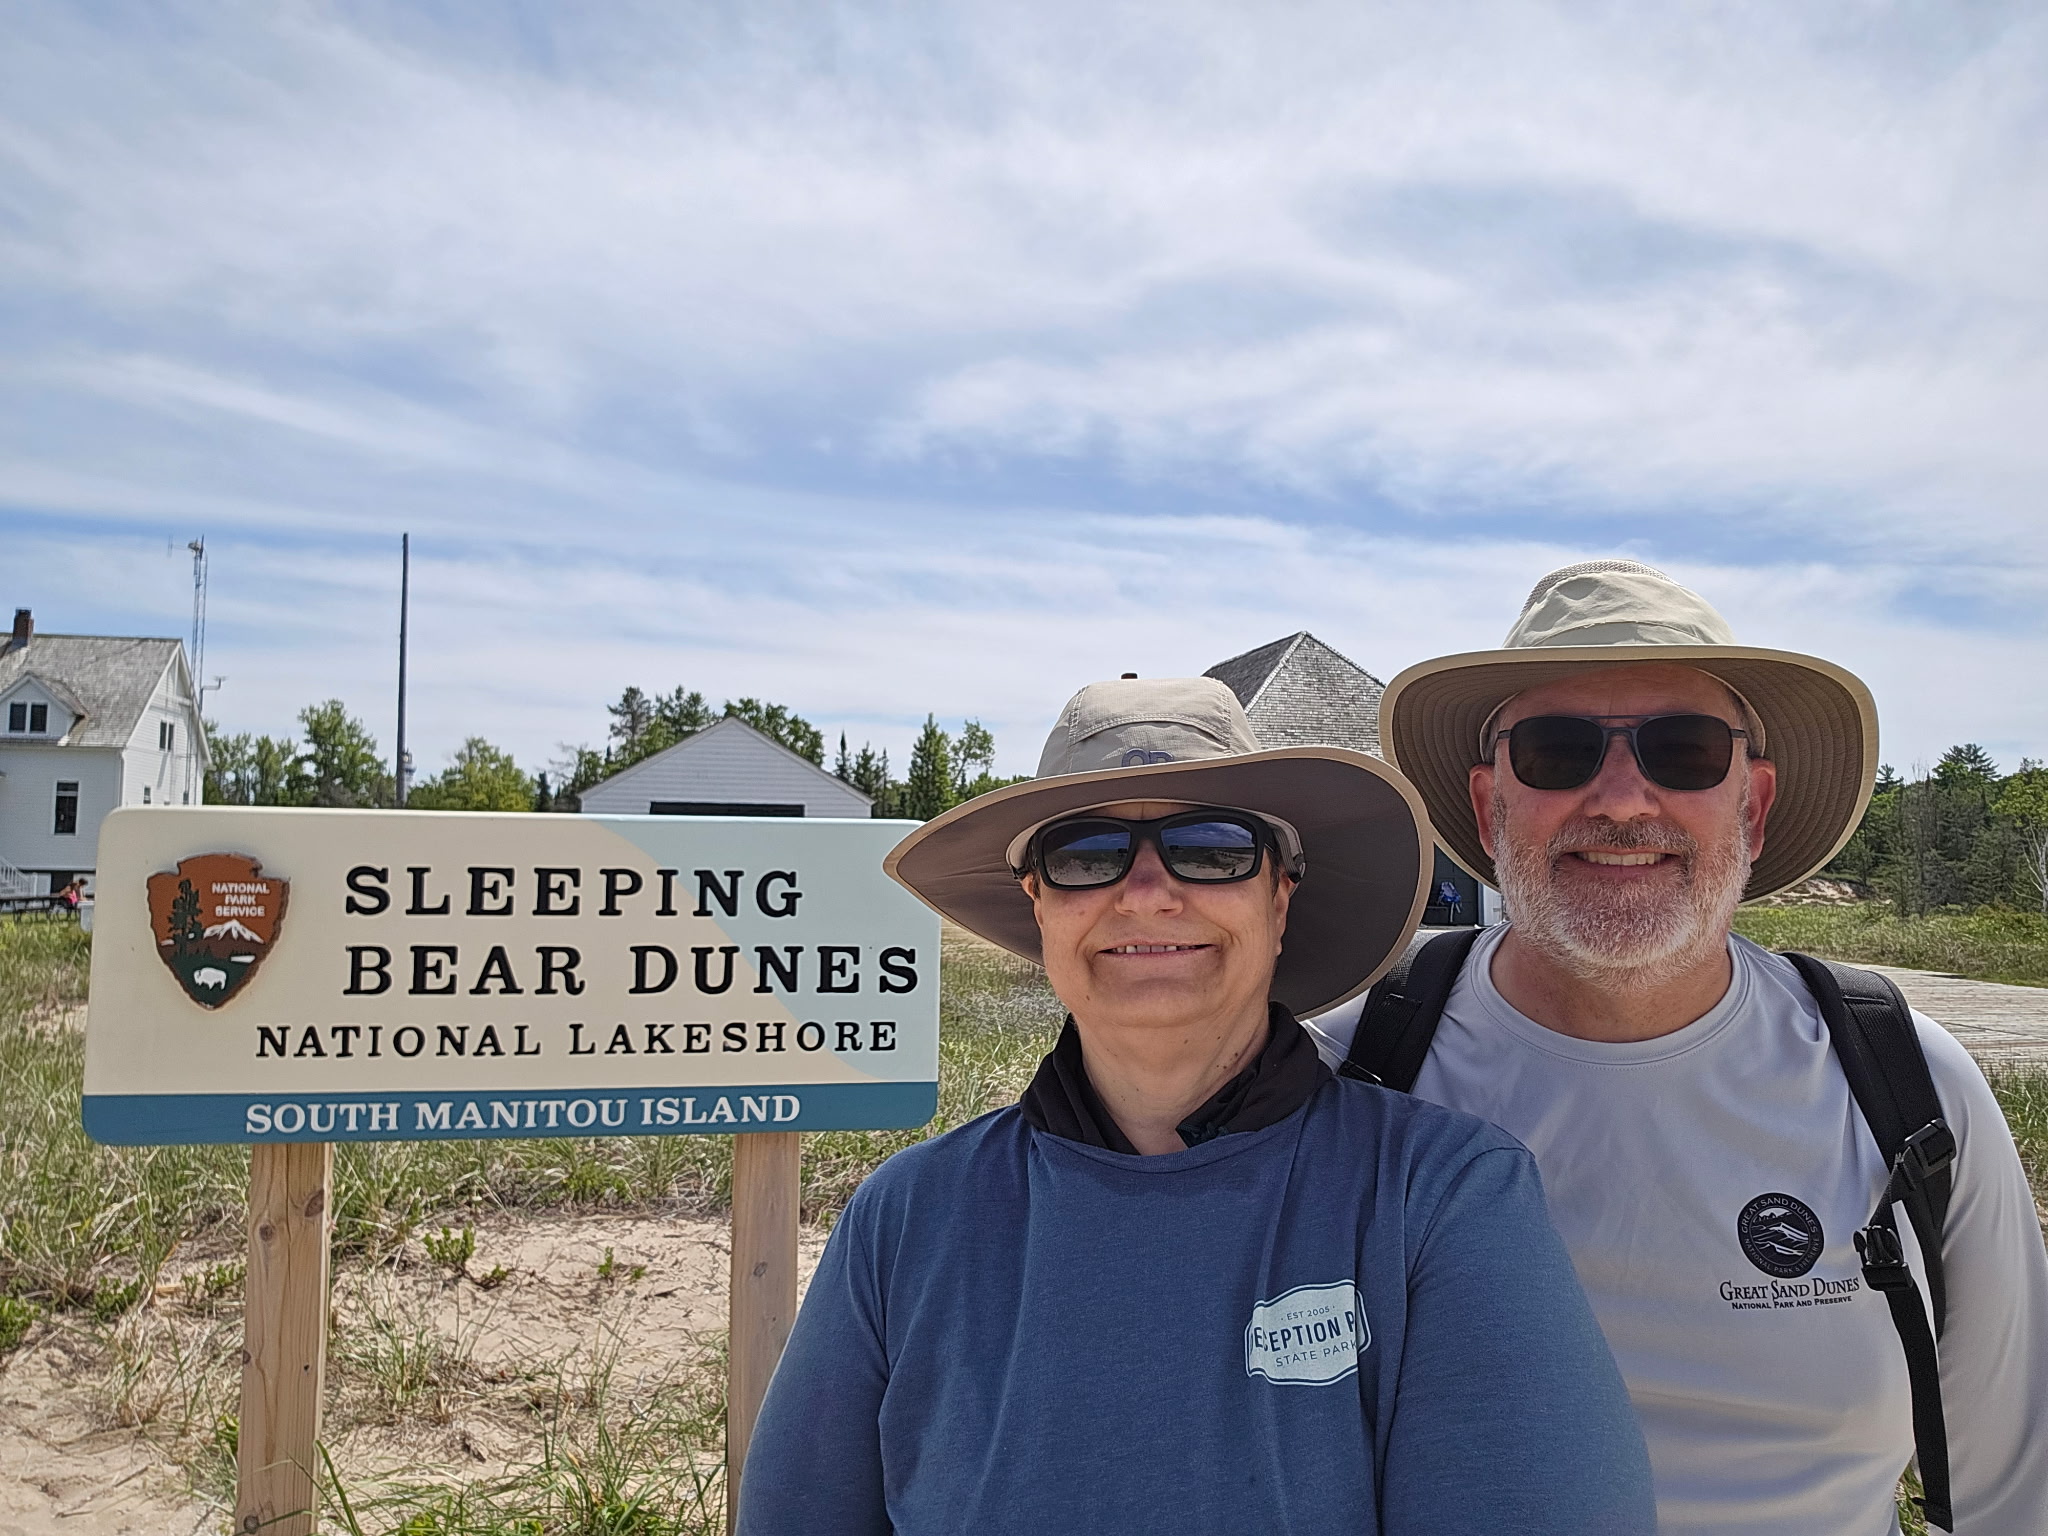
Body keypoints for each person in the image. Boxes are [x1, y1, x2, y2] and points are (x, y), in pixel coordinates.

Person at [739, 677, 1654, 1536]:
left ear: (1279, 894)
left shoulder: (1441, 1199)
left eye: (1211, 848)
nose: (1146, 893)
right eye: (1086, 854)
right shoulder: (905, 1217)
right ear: (1039, 906)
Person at [1314, 560, 2048, 1534]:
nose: (1621, 798)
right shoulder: (1346, 1079)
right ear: (1489, 808)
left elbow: (2016, 1493)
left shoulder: (1910, 1092)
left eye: (1684, 748)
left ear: (1750, 804)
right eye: (1555, 749)